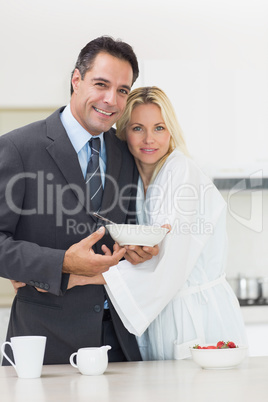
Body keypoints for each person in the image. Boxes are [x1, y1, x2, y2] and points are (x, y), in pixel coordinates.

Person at [0, 37, 159, 365]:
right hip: (44, 343)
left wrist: (137, 252)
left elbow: (123, 231)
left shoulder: (125, 152)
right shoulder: (18, 148)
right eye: (101, 84)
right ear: (76, 80)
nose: (110, 100)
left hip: (119, 342)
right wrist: (61, 264)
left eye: (122, 90)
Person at [96, 86, 247, 360]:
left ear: (171, 131)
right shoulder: (136, 181)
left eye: (159, 128)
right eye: (138, 128)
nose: (149, 139)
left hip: (197, 313)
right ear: (124, 133)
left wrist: (82, 276)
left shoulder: (181, 170)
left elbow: (170, 260)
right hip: (164, 312)